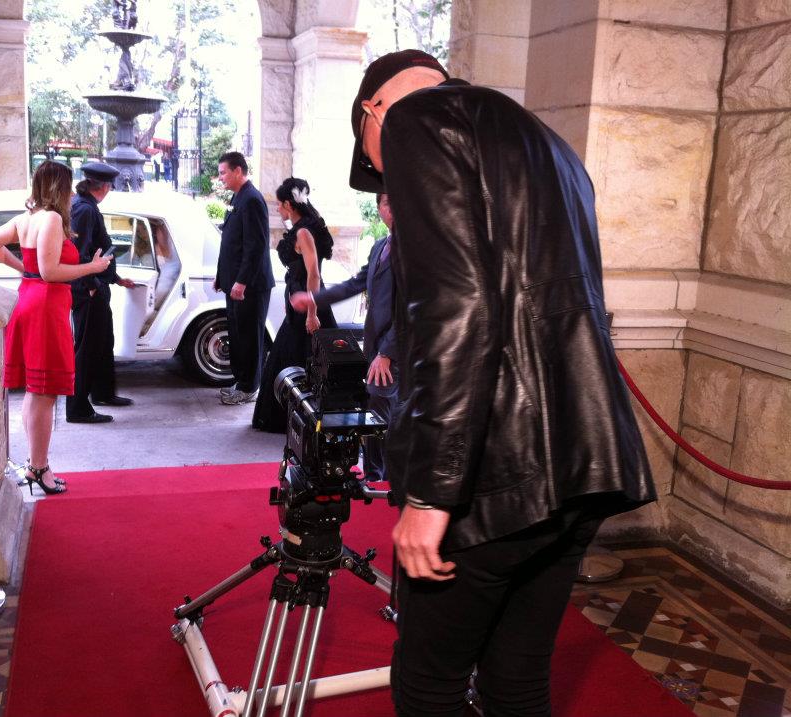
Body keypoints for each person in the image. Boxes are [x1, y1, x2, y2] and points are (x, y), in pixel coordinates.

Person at [349, 49, 657, 717]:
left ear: (373, 111)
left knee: (428, 683)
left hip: (492, 475)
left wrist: (431, 494)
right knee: (516, 678)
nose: (383, 173)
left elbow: (457, 310)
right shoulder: (549, 144)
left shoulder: (413, 121)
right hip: (585, 459)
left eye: (373, 160)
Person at [0, 161, 113, 495]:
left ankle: (35, 465)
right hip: (45, 305)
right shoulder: (52, 218)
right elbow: (50, 272)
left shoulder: (26, 217)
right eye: (69, 185)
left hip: (30, 299)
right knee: (45, 392)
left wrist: (23, 269)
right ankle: (39, 468)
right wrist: (93, 267)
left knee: (36, 391)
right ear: (60, 187)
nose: (72, 193)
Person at [290, 192, 398, 477]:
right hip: (375, 347)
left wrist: (387, 353)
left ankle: (384, 480)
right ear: (379, 209)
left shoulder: (416, 251)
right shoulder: (380, 246)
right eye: (387, 202)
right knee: (375, 412)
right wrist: (313, 299)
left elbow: (413, 310)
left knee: (388, 417)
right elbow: (353, 284)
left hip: (396, 351)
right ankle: (376, 476)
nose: (393, 208)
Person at [252, 178, 337, 432]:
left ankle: (300, 420)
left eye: (280, 204)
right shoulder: (304, 227)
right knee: (296, 355)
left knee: (299, 357)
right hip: (301, 301)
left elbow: (314, 274)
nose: (278, 209)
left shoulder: (303, 232)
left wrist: (312, 313)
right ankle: (304, 419)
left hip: (308, 303)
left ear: (289, 204)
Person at [66, 161, 136, 424]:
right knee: (87, 348)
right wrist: (93, 285)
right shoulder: (84, 209)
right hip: (88, 290)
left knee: (103, 342)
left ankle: (103, 393)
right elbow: (79, 254)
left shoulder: (85, 205)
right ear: (105, 186)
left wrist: (115, 279)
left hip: (96, 286)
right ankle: (78, 408)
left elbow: (95, 249)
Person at [214, 151, 274, 405]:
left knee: (249, 337)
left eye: (223, 172)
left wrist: (242, 281)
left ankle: (249, 388)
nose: (220, 177)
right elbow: (230, 241)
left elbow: (255, 246)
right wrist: (222, 276)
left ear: (238, 171)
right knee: (238, 335)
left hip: (250, 286)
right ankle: (241, 381)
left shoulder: (252, 200)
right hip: (235, 282)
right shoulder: (238, 197)